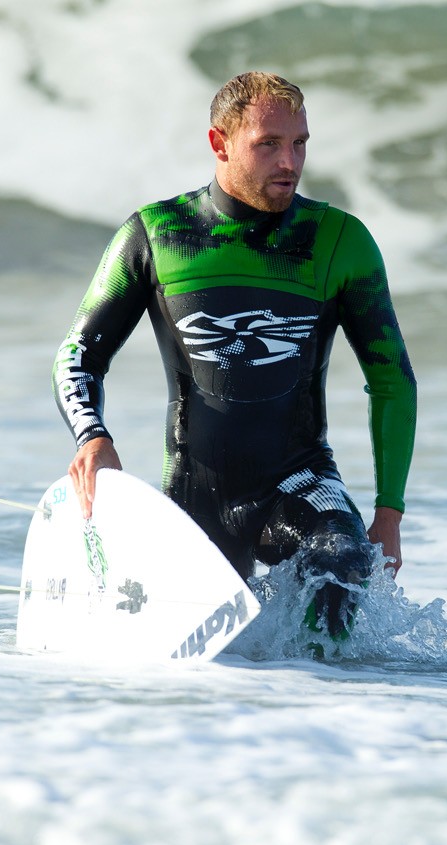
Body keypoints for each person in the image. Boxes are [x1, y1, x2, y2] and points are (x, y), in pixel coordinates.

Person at [52, 71, 416, 638]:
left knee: (341, 567)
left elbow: (392, 379)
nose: (289, 161)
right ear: (219, 143)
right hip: (196, 493)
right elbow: (78, 355)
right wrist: (92, 437)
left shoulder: (339, 242)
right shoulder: (159, 234)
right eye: (268, 144)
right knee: (201, 661)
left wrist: (388, 513)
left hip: (300, 482)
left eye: (299, 143)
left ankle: (339, 712)